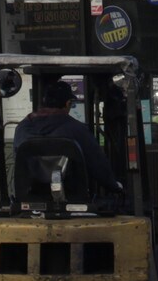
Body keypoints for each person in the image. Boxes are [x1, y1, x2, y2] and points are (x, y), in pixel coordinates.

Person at [17, 75, 126, 209]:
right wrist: (114, 186)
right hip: (73, 199)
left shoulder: (22, 128)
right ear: (68, 103)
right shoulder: (77, 129)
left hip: (29, 199)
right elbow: (97, 163)